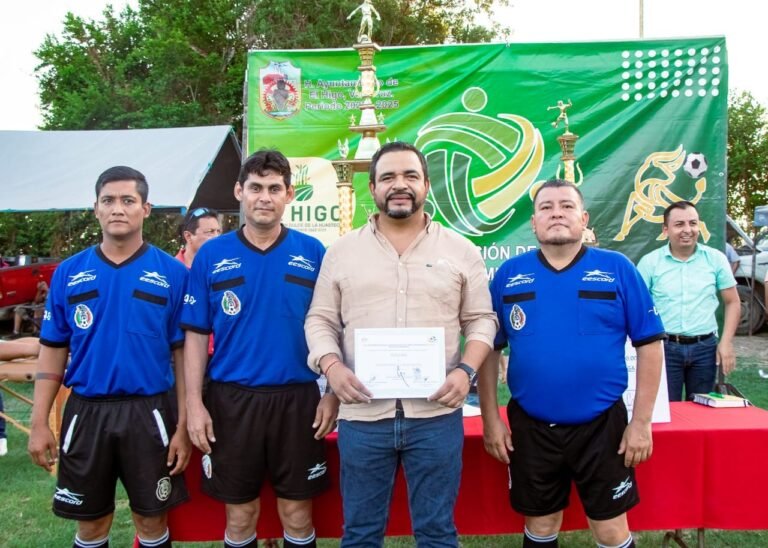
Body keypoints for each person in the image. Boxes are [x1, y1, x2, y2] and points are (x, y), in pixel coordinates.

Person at [305, 141, 498, 546]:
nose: (400, 185)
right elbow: (320, 319)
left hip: (436, 417)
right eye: (388, 177)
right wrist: (332, 366)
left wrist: (466, 372)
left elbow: (481, 319)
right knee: (359, 533)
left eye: (410, 176)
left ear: (426, 184)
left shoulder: (461, 250)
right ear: (372, 188)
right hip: (362, 418)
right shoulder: (341, 252)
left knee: (437, 532)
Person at [478, 179, 665, 548]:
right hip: (531, 427)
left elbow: (650, 345)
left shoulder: (617, 268)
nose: (556, 213)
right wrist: (490, 421)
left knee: (610, 529)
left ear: (584, 218)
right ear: (533, 223)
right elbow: (488, 350)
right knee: (542, 524)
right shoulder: (508, 275)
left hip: (603, 426)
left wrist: (641, 423)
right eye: (546, 207)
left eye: (566, 205)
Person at [28, 166, 191, 548]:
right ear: (96, 209)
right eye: (109, 201)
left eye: (128, 200)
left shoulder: (172, 274)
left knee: (151, 523)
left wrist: (183, 424)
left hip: (150, 413)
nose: (118, 208)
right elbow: (52, 349)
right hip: (86, 413)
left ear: (146, 209)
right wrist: (38, 423)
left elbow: (183, 355)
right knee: (90, 525)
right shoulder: (69, 273)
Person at [181, 149, 337, 548]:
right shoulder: (211, 256)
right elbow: (196, 336)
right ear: (239, 192)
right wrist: (195, 405)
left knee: (297, 515)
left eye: (274, 188)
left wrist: (333, 394)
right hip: (232, 400)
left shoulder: (314, 253)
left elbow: (335, 327)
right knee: (240, 515)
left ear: (289, 194)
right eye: (255, 187)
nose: (264, 197)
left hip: (299, 400)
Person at [637, 201, 740, 401]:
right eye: (679, 224)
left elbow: (733, 302)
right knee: (667, 412)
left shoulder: (716, 259)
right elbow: (638, 307)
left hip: (705, 349)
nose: (687, 230)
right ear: (665, 230)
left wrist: (726, 343)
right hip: (664, 348)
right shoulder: (650, 263)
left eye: (693, 223)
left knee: (702, 412)